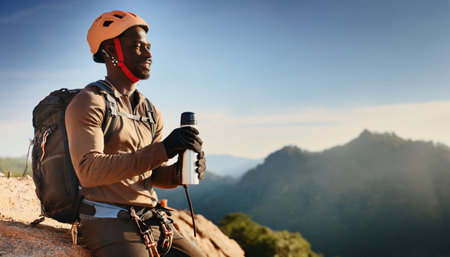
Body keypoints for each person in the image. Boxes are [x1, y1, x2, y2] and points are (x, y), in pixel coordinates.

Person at [65, 10, 206, 257]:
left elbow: (150, 175)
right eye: (138, 47)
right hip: (105, 218)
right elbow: (89, 171)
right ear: (111, 50)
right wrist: (163, 150)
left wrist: (178, 173)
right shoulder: (89, 102)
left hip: (150, 217)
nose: (149, 54)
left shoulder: (150, 111)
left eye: (149, 47)